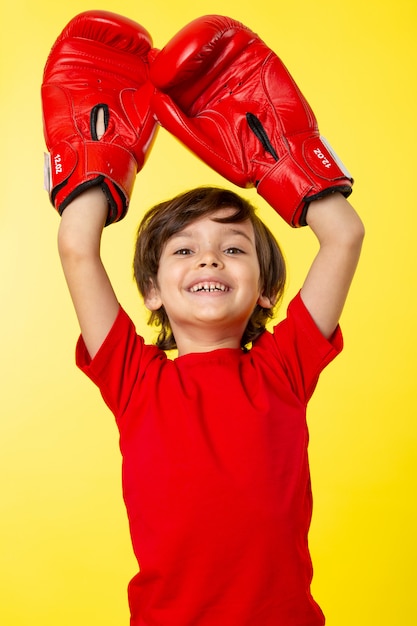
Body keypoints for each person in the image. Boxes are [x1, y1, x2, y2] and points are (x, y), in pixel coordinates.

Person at [42, 10, 364, 626]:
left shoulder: (285, 366)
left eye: (234, 247)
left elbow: (344, 237)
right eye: (183, 250)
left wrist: (287, 160)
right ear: (152, 291)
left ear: (268, 290)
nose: (209, 256)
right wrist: (95, 160)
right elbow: (76, 246)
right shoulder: (132, 378)